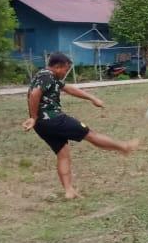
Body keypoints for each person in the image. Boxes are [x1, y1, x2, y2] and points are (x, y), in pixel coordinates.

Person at [21, 53, 139, 199]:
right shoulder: (47, 76)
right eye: (66, 69)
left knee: (63, 154)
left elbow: (69, 88)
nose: (66, 73)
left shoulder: (48, 76)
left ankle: (69, 191)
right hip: (53, 119)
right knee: (90, 134)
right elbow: (34, 94)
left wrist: (92, 98)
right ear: (57, 67)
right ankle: (124, 147)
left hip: (42, 126)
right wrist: (33, 117)